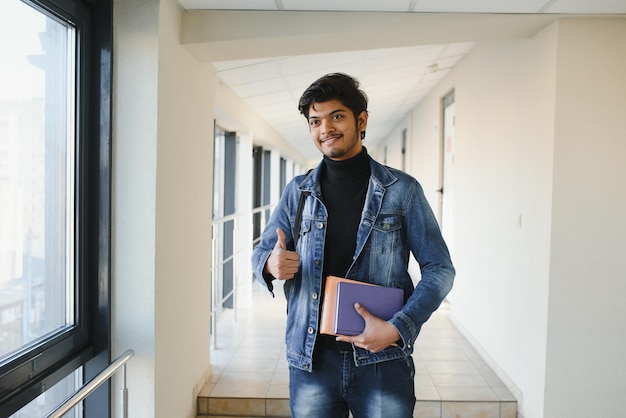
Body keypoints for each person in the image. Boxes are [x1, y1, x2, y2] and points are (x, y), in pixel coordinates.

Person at [251, 73, 455, 418]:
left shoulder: (402, 191)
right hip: (311, 359)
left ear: (361, 121)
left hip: (382, 360)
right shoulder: (298, 192)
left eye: (337, 116)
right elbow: (262, 252)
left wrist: (397, 328)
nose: (325, 128)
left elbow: (440, 269)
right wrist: (271, 265)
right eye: (315, 121)